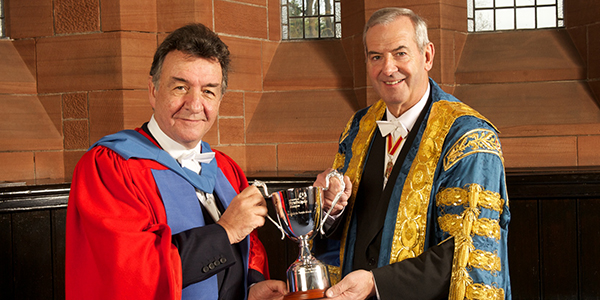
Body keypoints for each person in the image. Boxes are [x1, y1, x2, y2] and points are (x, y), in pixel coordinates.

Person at [65, 23, 287, 300]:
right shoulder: (110, 167)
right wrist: (225, 231)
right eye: (181, 87)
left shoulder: (225, 170)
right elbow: (131, 272)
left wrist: (251, 286)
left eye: (208, 91)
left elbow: (249, 249)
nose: (195, 104)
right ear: (153, 90)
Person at [313, 7, 511, 300]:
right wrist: (330, 207)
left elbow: (465, 252)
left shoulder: (468, 138)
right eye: (376, 57)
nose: (388, 68)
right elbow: (342, 235)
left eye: (400, 53)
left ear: (427, 56)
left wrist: (377, 284)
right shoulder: (358, 128)